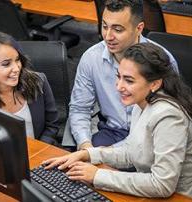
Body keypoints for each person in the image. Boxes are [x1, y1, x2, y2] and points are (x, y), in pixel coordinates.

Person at [44, 43, 192, 198]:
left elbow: (162, 185)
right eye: (118, 77)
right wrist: (87, 154)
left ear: (155, 84)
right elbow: (132, 153)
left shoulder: (169, 116)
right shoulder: (142, 103)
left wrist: (97, 175)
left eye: (128, 80)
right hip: (148, 191)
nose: (119, 86)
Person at [68, 0, 178, 150]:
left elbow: (169, 119)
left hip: (150, 134)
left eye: (118, 30)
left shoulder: (162, 61)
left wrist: (108, 154)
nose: (108, 36)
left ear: (139, 28)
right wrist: (86, 146)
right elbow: (79, 109)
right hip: (111, 132)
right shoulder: (91, 58)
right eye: (104, 26)